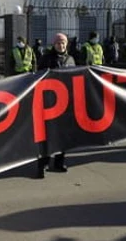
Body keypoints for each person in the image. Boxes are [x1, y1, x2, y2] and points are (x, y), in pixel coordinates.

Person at [35, 33, 75, 178]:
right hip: (49, 102)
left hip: (65, 103)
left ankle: (59, 162)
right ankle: (43, 163)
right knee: (46, 134)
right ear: (54, 44)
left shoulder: (70, 59)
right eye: (58, 43)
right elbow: (38, 76)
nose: (61, 45)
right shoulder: (46, 58)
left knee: (62, 134)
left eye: (63, 43)